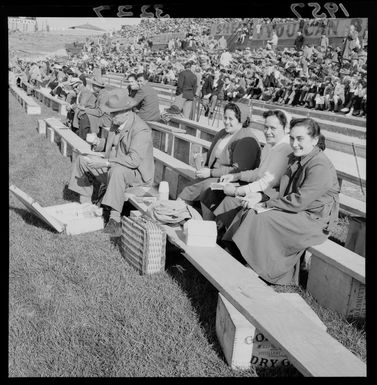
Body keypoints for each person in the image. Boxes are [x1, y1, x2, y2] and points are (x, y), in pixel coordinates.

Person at [221, 118, 340, 285]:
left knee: (261, 217)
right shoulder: (296, 157)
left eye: (300, 139)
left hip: (314, 219)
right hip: (299, 209)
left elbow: (299, 201)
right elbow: (283, 188)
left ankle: (257, 268)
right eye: (292, 138)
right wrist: (261, 196)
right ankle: (241, 256)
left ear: (314, 140)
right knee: (249, 209)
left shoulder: (319, 165)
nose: (295, 143)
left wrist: (265, 205)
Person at [68, 88, 155, 237]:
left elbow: (133, 161)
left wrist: (107, 163)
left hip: (136, 175)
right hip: (115, 165)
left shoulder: (141, 130)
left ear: (126, 111)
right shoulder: (117, 123)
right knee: (83, 160)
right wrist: (98, 143)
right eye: (110, 112)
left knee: (117, 171)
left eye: (113, 112)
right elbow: (111, 145)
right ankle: (86, 207)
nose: (110, 115)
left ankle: (114, 221)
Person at [213, 109, 292, 229]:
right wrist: (236, 176)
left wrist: (237, 191)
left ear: (285, 128)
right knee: (220, 193)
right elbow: (259, 173)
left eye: (273, 128)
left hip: (271, 196)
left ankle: (224, 240)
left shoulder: (284, 149)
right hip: (262, 191)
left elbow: (267, 183)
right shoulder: (270, 144)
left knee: (232, 202)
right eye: (265, 127)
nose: (267, 132)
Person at [178, 103, 261, 214]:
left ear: (241, 120)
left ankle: (184, 215)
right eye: (225, 117)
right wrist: (200, 157)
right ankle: (182, 214)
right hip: (216, 175)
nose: (226, 122)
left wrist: (211, 172)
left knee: (201, 188)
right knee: (192, 186)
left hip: (234, 180)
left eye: (230, 119)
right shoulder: (224, 132)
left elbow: (237, 170)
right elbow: (214, 154)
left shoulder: (247, 140)